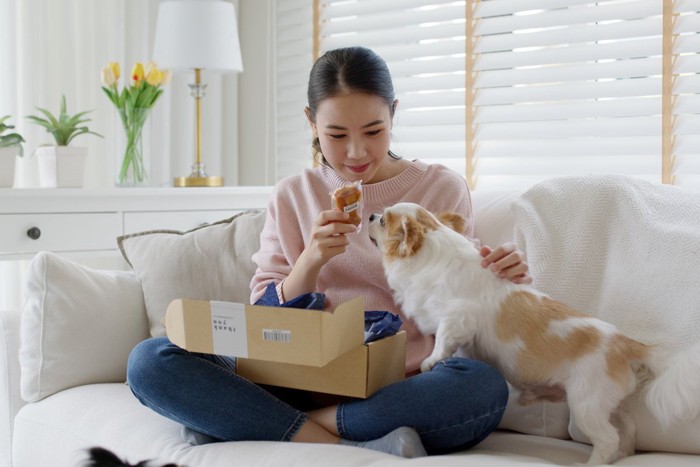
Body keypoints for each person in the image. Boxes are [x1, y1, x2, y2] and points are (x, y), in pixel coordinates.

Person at [127, 46, 531, 458]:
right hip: (292, 375)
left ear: (394, 113)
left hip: (395, 384)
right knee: (150, 360)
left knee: (481, 387)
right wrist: (311, 259)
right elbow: (262, 316)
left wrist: (499, 274)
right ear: (311, 122)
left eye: (373, 131)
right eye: (337, 135)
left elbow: (463, 294)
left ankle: (255, 423)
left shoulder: (439, 188)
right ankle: (346, 441)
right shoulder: (292, 195)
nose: (356, 153)